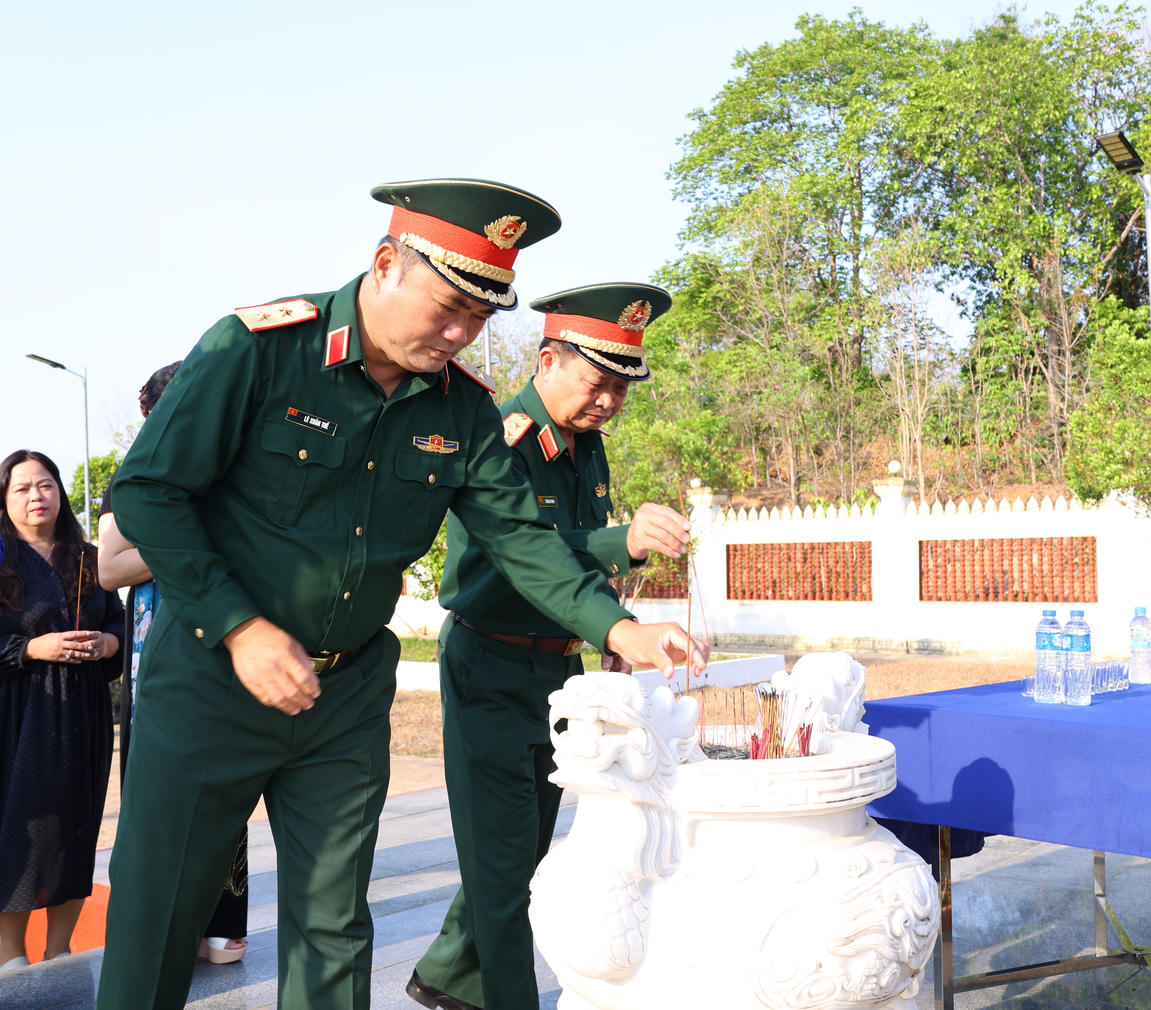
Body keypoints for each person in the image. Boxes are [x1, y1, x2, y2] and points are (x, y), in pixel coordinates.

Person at [96, 178, 706, 1010]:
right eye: (448, 307)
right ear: (386, 264)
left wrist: (620, 625)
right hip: (210, 678)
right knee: (159, 913)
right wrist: (240, 628)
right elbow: (148, 493)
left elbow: (519, 539)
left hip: (344, 693)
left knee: (334, 926)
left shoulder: (464, 410)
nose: (459, 334)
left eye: (481, 320)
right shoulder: (258, 349)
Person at [408, 282, 692, 1010]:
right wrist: (618, 542)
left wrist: (609, 635)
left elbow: (573, 571)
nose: (607, 402)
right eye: (597, 383)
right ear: (548, 361)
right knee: (506, 875)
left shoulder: (584, 446)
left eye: (620, 391)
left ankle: (446, 975)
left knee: (523, 852)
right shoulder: (498, 438)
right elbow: (509, 563)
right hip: (490, 666)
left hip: (555, 669)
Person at [98, 361, 250, 966]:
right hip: (155, 655)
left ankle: (223, 922)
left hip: (228, 649)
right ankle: (159, 931)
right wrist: (186, 543)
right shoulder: (132, 480)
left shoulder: (237, 474)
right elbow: (111, 569)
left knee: (228, 788)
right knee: (157, 798)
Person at [0, 450, 123, 972]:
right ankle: (9, 958)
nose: (36, 496)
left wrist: (107, 646)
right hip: (19, 715)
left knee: (78, 826)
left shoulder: (90, 558)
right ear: (5, 500)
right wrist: (32, 649)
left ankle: (60, 949)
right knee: (18, 830)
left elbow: (122, 624)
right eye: (22, 488)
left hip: (84, 714)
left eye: (45, 485)